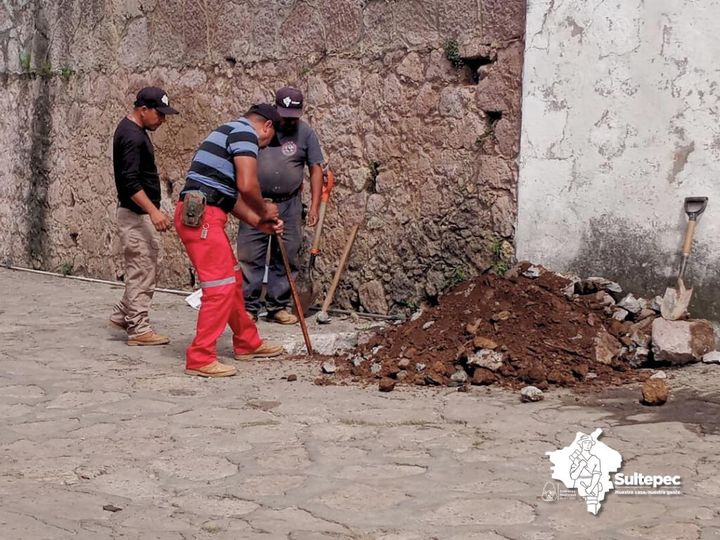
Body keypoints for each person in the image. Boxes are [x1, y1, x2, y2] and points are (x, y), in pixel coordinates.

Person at [175, 104, 285, 378]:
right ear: (267, 127)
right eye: (269, 141)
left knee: (233, 281)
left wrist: (259, 222)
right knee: (220, 287)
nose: (264, 148)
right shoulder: (244, 134)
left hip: (207, 212)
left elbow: (227, 197)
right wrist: (264, 211)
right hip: (204, 218)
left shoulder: (228, 133)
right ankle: (200, 357)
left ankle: (247, 342)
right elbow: (248, 186)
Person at [237, 86, 324, 325]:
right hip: (256, 202)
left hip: (289, 204)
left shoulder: (305, 134)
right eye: (283, 116)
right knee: (250, 254)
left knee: (286, 255)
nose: (288, 122)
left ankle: (277, 306)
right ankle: (248, 307)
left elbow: (316, 169)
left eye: (293, 117)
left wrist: (314, 206)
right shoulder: (262, 130)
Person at [110, 86, 179, 346]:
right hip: (134, 214)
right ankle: (138, 328)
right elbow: (128, 181)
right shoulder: (131, 136)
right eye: (159, 115)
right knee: (141, 267)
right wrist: (153, 211)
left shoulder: (135, 132)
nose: (162, 120)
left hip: (137, 213)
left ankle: (122, 313)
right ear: (143, 110)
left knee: (148, 261)